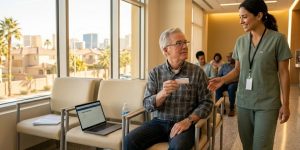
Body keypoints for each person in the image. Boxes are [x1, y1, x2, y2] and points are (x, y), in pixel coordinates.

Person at [208, 0, 292, 149]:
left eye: (244, 17)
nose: (241, 21)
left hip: (267, 104)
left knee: (261, 146)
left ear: (259, 15)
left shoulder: (278, 39)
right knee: (247, 146)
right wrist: (222, 80)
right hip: (244, 102)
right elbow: (237, 70)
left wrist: (285, 104)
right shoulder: (240, 41)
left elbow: (284, 73)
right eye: (239, 17)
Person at [124, 27, 213, 150]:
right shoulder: (155, 73)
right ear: (166, 50)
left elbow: (207, 102)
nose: (185, 46)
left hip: (184, 123)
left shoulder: (197, 72)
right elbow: (147, 105)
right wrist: (162, 94)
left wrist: (189, 120)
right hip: (159, 122)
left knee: (179, 147)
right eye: (179, 43)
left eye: (185, 42)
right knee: (129, 140)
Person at [215, 52, 238, 116]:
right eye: (227, 57)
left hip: (234, 83)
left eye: (230, 57)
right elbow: (219, 75)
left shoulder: (237, 66)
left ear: (234, 57)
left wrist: (229, 80)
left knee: (231, 87)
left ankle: (231, 108)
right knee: (218, 87)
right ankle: (222, 107)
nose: (228, 58)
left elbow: (239, 77)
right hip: (225, 82)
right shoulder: (224, 66)